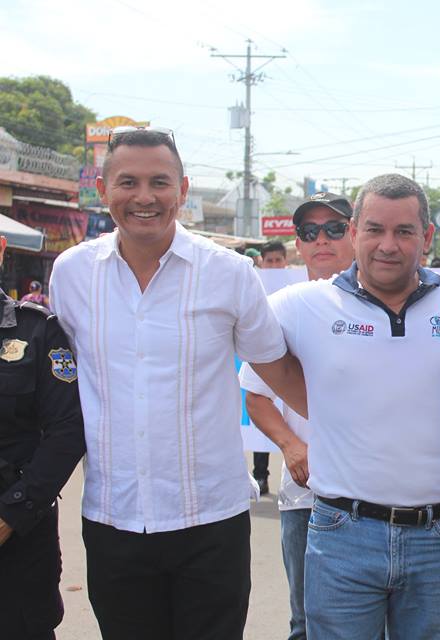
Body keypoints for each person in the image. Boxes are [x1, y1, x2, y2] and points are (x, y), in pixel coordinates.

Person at [49, 127, 306, 640]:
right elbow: (57, 385)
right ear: (104, 191)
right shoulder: (71, 273)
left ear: (182, 190)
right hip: (112, 518)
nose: (144, 198)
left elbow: (280, 372)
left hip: (210, 520)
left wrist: (356, 433)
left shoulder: (229, 273)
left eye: (159, 182)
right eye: (128, 182)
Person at [264, 174, 440, 639]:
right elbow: (245, 346)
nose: (388, 245)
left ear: (426, 236)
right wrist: (318, 405)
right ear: (356, 231)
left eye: (404, 231)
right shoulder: (300, 305)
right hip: (343, 531)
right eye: (375, 229)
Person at [238, 191, 355, 640]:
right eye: (310, 232)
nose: (321, 239)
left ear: (355, 231)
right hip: (305, 498)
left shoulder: (386, 302)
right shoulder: (281, 309)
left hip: (374, 493)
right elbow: (256, 394)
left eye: (334, 228)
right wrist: (291, 445)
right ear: (298, 244)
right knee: (306, 622)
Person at [0, 234, 85, 640]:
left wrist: (10, 515)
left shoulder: (37, 332)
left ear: (0, 249)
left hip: (17, 537)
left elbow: (68, 430)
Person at [250, 239, 290, 495]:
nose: (274, 265)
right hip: (261, 361)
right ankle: (260, 475)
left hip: (288, 363)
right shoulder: (252, 285)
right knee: (261, 420)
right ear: (262, 262)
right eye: (270, 261)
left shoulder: (297, 286)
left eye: (278, 260)